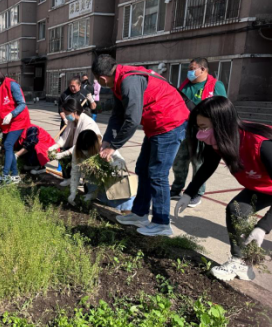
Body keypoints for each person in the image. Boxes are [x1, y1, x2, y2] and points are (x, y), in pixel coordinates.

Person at [92, 54, 190, 237]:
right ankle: (139, 214)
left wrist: (114, 147)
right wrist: (106, 141)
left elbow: (132, 120)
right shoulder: (119, 81)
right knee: (142, 169)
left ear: (102, 78)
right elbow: (117, 116)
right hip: (156, 125)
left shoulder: (128, 82)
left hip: (169, 123)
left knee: (158, 174)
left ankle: (162, 223)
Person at [175, 97, 271, 282]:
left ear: (221, 123)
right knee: (236, 209)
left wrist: (263, 227)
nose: (200, 134)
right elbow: (208, 165)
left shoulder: (261, 143)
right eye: (199, 128)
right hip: (262, 185)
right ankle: (240, 262)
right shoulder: (220, 140)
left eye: (204, 127)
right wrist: (189, 192)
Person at [171, 57, 229, 208]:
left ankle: (197, 192)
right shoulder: (185, 85)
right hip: (184, 128)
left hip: (204, 130)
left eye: (192, 69)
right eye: (189, 69)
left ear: (203, 69)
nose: (189, 72)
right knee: (179, 161)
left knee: (199, 162)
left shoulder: (216, 85)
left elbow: (222, 107)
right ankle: (177, 188)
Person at [0, 65, 31, 185]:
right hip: (6, 124)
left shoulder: (11, 85)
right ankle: (15, 175)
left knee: (8, 144)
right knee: (7, 148)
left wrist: (11, 114)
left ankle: (5, 176)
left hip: (18, 120)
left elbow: (22, 104)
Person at [68, 130, 131, 210]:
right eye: (83, 151)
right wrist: (73, 192)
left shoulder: (105, 147)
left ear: (94, 146)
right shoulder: (77, 150)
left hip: (111, 185)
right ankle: (93, 193)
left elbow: (121, 162)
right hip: (92, 185)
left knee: (122, 206)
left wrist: (110, 164)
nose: (86, 153)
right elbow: (75, 171)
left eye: (88, 150)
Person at [50, 98, 101, 187]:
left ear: (74, 112)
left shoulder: (87, 123)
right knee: (63, 152)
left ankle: (84, 182)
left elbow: (80, 144)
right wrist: (55, 146)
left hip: (89, 150)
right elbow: (64, 137)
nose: (65, 116)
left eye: (66, 113)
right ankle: (69, 178)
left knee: (67, 155)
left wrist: (64, 154)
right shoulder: (72, 120)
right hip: (77, 148)